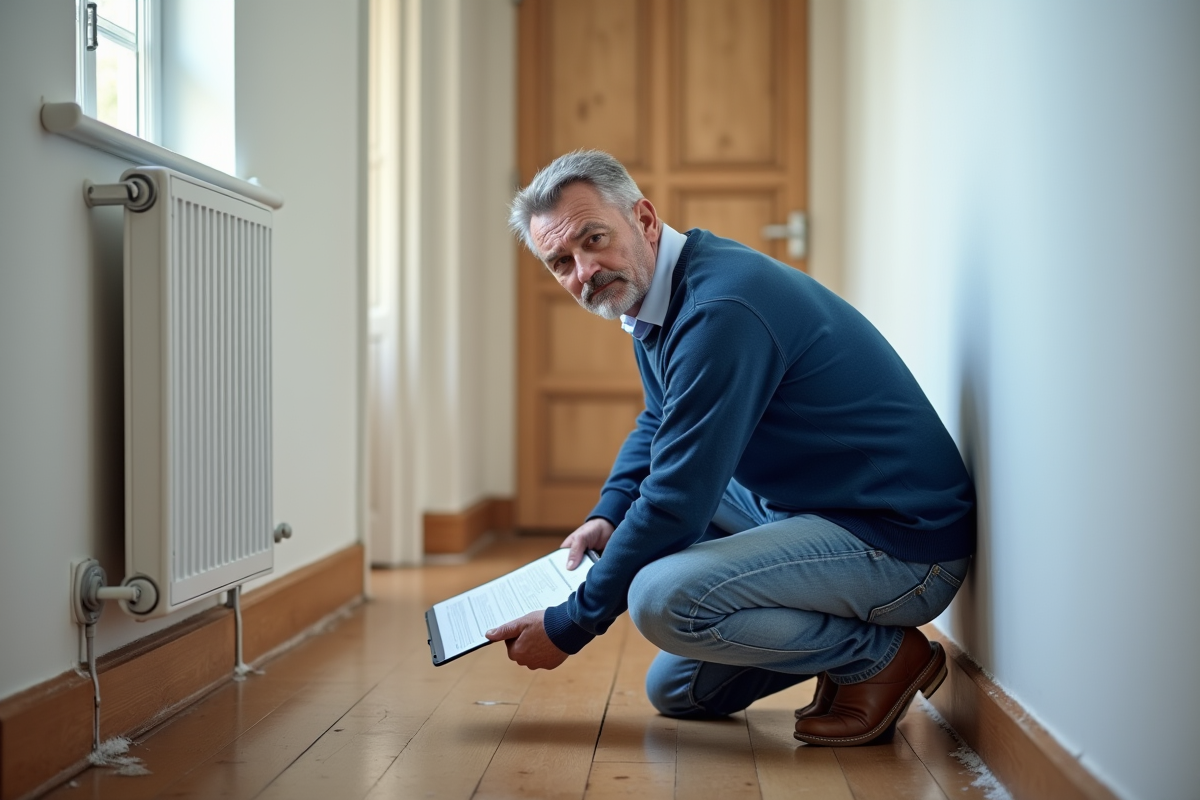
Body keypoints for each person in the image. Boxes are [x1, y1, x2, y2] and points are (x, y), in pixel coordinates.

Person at [485, 150, 976, 746]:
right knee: (682, 691)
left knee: (660, 599)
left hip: (901, 544)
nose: (584, 271)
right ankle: (846, 638)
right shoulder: (657, 292)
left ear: (642, 218)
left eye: (594, 239)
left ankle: (879, 657)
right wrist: (607, 514)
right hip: (812, 505)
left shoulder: (719, 308)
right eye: (561, 261)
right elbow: (661, 418)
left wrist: (570, 625)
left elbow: (675, 500)